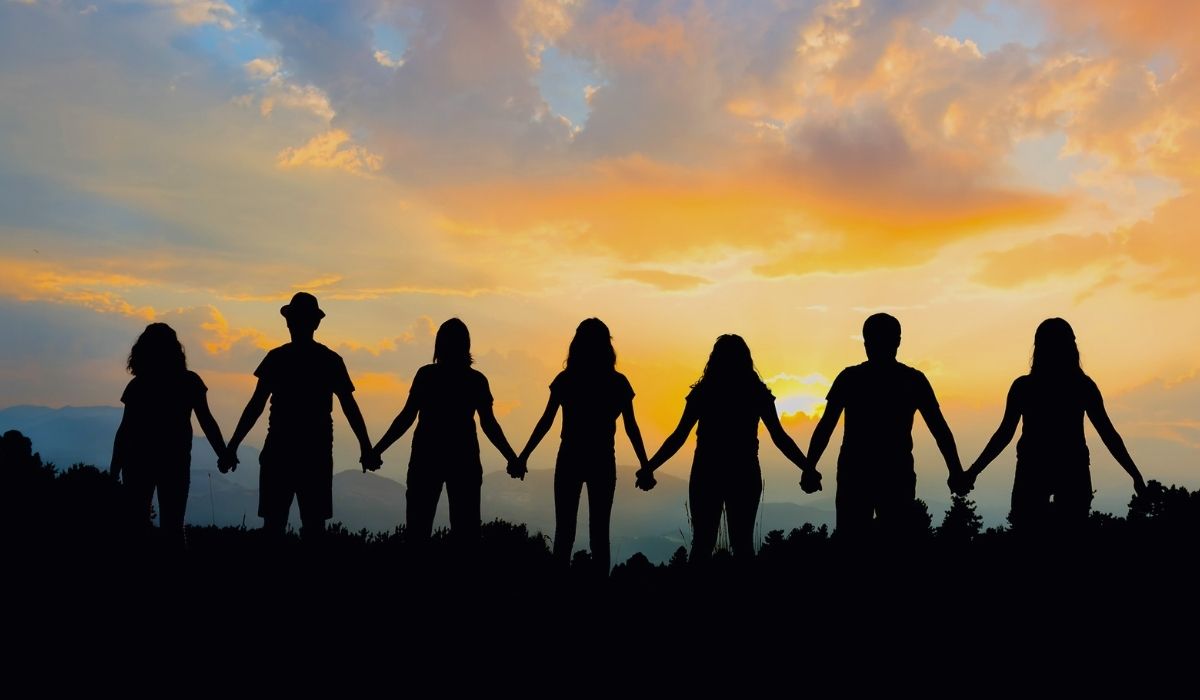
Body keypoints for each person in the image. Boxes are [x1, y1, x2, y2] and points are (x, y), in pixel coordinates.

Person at [637, 335, 820, 563]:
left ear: (714, 359)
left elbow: (678, 437)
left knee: (702, 544)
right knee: (743, 545)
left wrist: (649, 467)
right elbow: (780, 437)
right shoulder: (756, 392)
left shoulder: (704, 393)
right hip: (744, 472)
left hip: (706, 471)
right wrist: (808, 468)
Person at [961, 318, 1147, 532]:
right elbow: (1108, 434)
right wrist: (1135, 475)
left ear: (1038, 349)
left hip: (1032, 470)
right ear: (1071, 348)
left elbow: (1004, 435)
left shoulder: (1024, 387)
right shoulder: (1083, 386)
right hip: (1072, 471)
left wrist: (972, 472)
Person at [221, 292, 378, 540]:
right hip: (316, 454)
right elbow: (349, 406)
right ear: (316, 323)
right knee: (314, 528)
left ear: (289, 322)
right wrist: (366, 448)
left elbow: (256, 406)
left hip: (279, 453)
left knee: (273, 527)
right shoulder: (330, 360)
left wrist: (232, 447)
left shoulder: (276, 358)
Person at [805, 313, 965, 540]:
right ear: (898, 341)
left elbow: (825, 428)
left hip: (856, 474)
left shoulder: (849, 378)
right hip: (896, 474)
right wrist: (955, 471)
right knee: (895, 544)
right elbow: (940, 430)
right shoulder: (913, 380)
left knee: (852, 542)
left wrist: (810, 468)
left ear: (865, 343)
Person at [511, 318, 649, 576]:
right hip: (602, 460)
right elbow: (631, 428)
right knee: (600, 534)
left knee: (563, 533)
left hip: (570, 458)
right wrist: (645, 466)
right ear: (606, 346)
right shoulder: (617, 382)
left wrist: (523, 456)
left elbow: (546, 421)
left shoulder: (566, 379)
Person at [372, 318, 518, 546]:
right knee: (466, 532)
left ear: (439, 345)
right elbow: (489, 425)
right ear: (466, 345)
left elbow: (406, 418)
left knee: (417, 531)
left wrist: (376, 450)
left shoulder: (426, 376)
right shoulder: (476, 381)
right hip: (464, 460)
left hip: (426, 457)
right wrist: (512, 458)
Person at [110, 323, 227, 547]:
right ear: (175, 350)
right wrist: (223, 453)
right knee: (173, 528)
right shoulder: (189, 382)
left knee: (136, 526)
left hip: (137, 462)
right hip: (175, 462)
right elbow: (207, 422)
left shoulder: (138, 385)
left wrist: (114, 470)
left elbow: (125, 431)